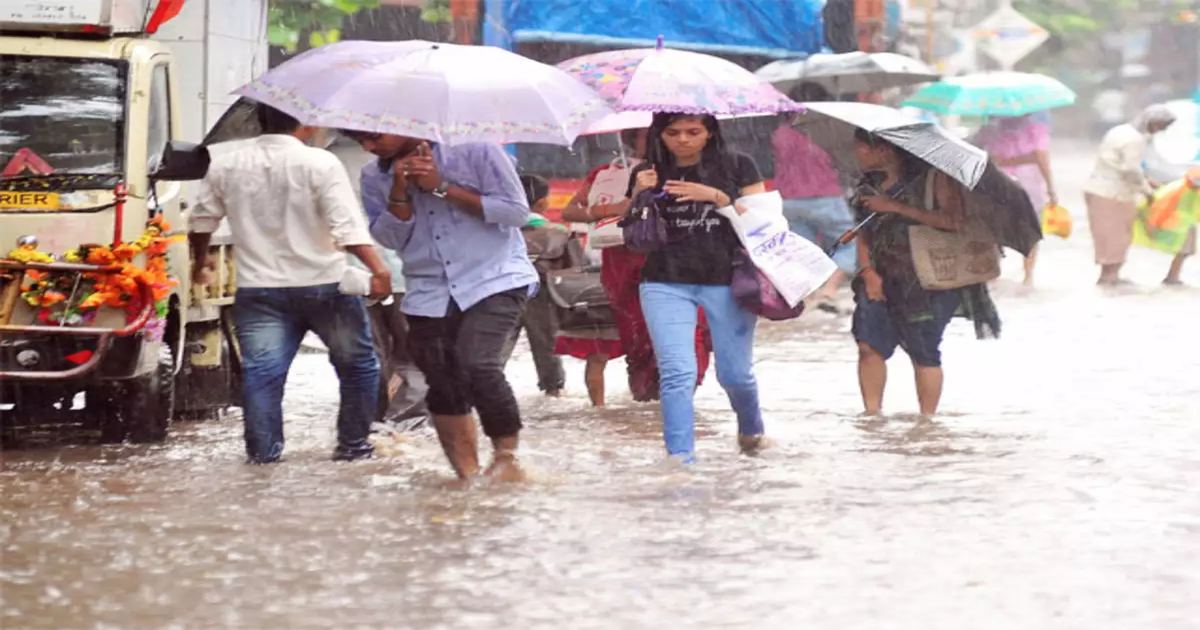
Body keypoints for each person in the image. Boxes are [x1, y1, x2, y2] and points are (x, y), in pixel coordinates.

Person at [189, 105, 391, 463]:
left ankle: (263, 458)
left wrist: (201, 262)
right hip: (326, 287)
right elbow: (347, 229)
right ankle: (353, 448)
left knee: (262, 375)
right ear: (309, 124)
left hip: (259, 289)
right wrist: (379, 269)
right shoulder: (320, 164)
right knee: (358, 366)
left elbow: (202, 221)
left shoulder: (228, 164)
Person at [342, 129, 538, 482]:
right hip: (429, 287)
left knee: (479, 364)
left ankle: (506, 458)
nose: (370, 147)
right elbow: (389, 238)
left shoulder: (477, 150)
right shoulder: (375, 175)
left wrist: (441, 187)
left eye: (373, 137)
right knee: (442, 379)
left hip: (493, 276)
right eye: (361, 142)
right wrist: (399, 192)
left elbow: (515, 213)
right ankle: (467, 475)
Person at [627, 113, 767, 461]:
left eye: (693, 132)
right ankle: (680, 459)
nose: (683, 140)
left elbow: (765, 224)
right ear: (660, 134)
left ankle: (751, 430)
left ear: (709, 133)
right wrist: (637, 195)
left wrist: (718, 197)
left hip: (728, 280)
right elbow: (630, 230)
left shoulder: (739, 165)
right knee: (677, 373)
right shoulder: (647, 171)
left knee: (734, 375)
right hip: (663, 281)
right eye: (673, 133)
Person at [849, 129, 1001, 417]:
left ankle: (927, 422)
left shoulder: (935, 178)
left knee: (924, 350)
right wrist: (868, 272)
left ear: (884, 150)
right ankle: (871, 417)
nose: (856, 154)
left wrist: (894, 207)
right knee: (868, 345)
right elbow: (862, 232)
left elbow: (953, 221)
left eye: (861, 148)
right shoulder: (867, 184)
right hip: (879, 276)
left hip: (928, 280)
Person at [560, 129, 712, 403]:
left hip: (681, 265)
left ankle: (677, 408)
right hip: (626, 268)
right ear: (632, 140)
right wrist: (617, 207)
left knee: (690, 338)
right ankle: (646, 414)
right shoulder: (608, 175)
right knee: (640, 342)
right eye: (648, 134)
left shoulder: (689, 171)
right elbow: (570, 212)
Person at [772, 83, 856, 309]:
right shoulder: (828, 132)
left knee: (804, 252)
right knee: (848, 244)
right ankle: (829, 290)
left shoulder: (781, 133)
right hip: (825, 197)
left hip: (789, 200)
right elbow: (843, 163)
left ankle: (808, 296)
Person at [1083, 104, 1177, 286]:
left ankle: (1109, 276)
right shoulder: (1135, 140)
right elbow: (1131, 170)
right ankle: (1109, 278)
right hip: (1113, 193)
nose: (1160, 130)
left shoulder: (1120, 131)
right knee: (1117, 235)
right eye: (1161, 126)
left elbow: (1121, 164)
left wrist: (1147, 181)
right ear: (1152, 122)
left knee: (1107, 234)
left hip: (1098, 188)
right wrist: (1148, 192)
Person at [501, 174, 568, 397]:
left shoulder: (498, 231)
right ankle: (553, 389)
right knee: (547, 342)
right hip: (544, 295)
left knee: (496, 346)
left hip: (502, 292)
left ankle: (484, 387)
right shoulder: (558, 233)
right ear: (542, 203)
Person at [974, 113, 1058, 286]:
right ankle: (1028, 276)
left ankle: (992, 274)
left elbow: (986, 157)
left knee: (995, 229)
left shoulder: (989, 131)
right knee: (1031, 229)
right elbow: (1042, 158)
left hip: (997, 184)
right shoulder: (1037, 130)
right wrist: (1051, 188)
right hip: (1029, 186)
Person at [360, 248, 429, 428]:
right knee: (413, 355)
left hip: (355, 279)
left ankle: (370, 420)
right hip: (407, 277)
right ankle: (409, 421)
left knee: (367, 355)